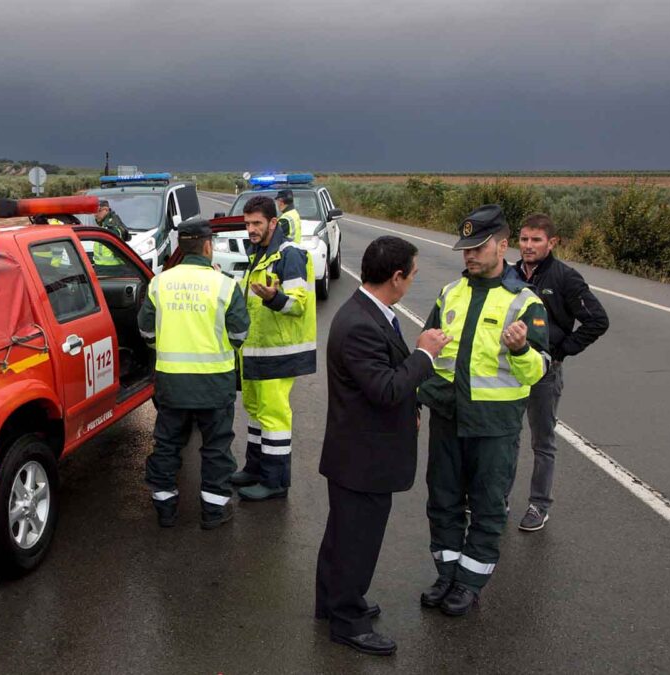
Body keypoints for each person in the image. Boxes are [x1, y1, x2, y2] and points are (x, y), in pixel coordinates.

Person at [316, 236, 451, 656]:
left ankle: (332, 602)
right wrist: (424, 356)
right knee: (357, 541)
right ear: (396, 277)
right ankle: (347, 620)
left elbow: (384, 382)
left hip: (359, 453)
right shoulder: (359, 324)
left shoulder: (374, 313)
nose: (413, 281)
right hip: (362, 459)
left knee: (342, 535)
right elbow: (386, 388)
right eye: (412, 275)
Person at [417, 204, 549, 616]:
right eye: (465, 248)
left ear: (502, 246)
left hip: (493, 426)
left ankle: (471, 584)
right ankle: (447, 574)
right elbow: (429, 352)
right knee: (443, 501)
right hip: (448, 418)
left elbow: (539, 370)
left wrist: (521, 348)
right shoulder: (449, 293)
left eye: (479, 247)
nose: (470, 255)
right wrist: (415, 397)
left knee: (489, 506)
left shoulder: (524, 302)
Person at [137, 218, 250, 529]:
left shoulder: (160, 283)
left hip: (172, 384)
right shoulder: (225, 284)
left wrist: (169, 344)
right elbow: (240, 334)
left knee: (167, 445)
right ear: (207, 246)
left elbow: (146, 332)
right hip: (215, 384)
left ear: (180, 247)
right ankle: (214, 512)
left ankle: (166, 510)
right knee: (215, 448)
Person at [511, 213, 609, 531]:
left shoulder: (565, 278)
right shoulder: (509, 276)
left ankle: (539, 505)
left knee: (543, 441)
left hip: (545, 373)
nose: (528, 245)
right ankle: (497, 498)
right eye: (524, 239)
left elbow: (597, 319)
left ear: (552, 242)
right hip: (511, 369)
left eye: (536, 240)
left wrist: (562, 350)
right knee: (506, 437)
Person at [229, 196, 316, 501]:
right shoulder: (258, 254)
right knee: (255, 412)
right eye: (247, 223)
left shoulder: (288, 256)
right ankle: (255, 468)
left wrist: (273, 298)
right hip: (255, 350)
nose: (250, 229)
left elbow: (298, 304)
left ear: (273, 223)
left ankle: (275, 482)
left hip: (278, 353)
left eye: (256, 223)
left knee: (274, 416)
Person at [93, 199, 129, 267]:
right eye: (94, 212)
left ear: (106, 210)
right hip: (102, 268)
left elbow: (119, 249)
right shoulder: (105, 225)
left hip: (112, 270)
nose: (95, 215)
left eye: (98, 211)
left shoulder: (111, 226)